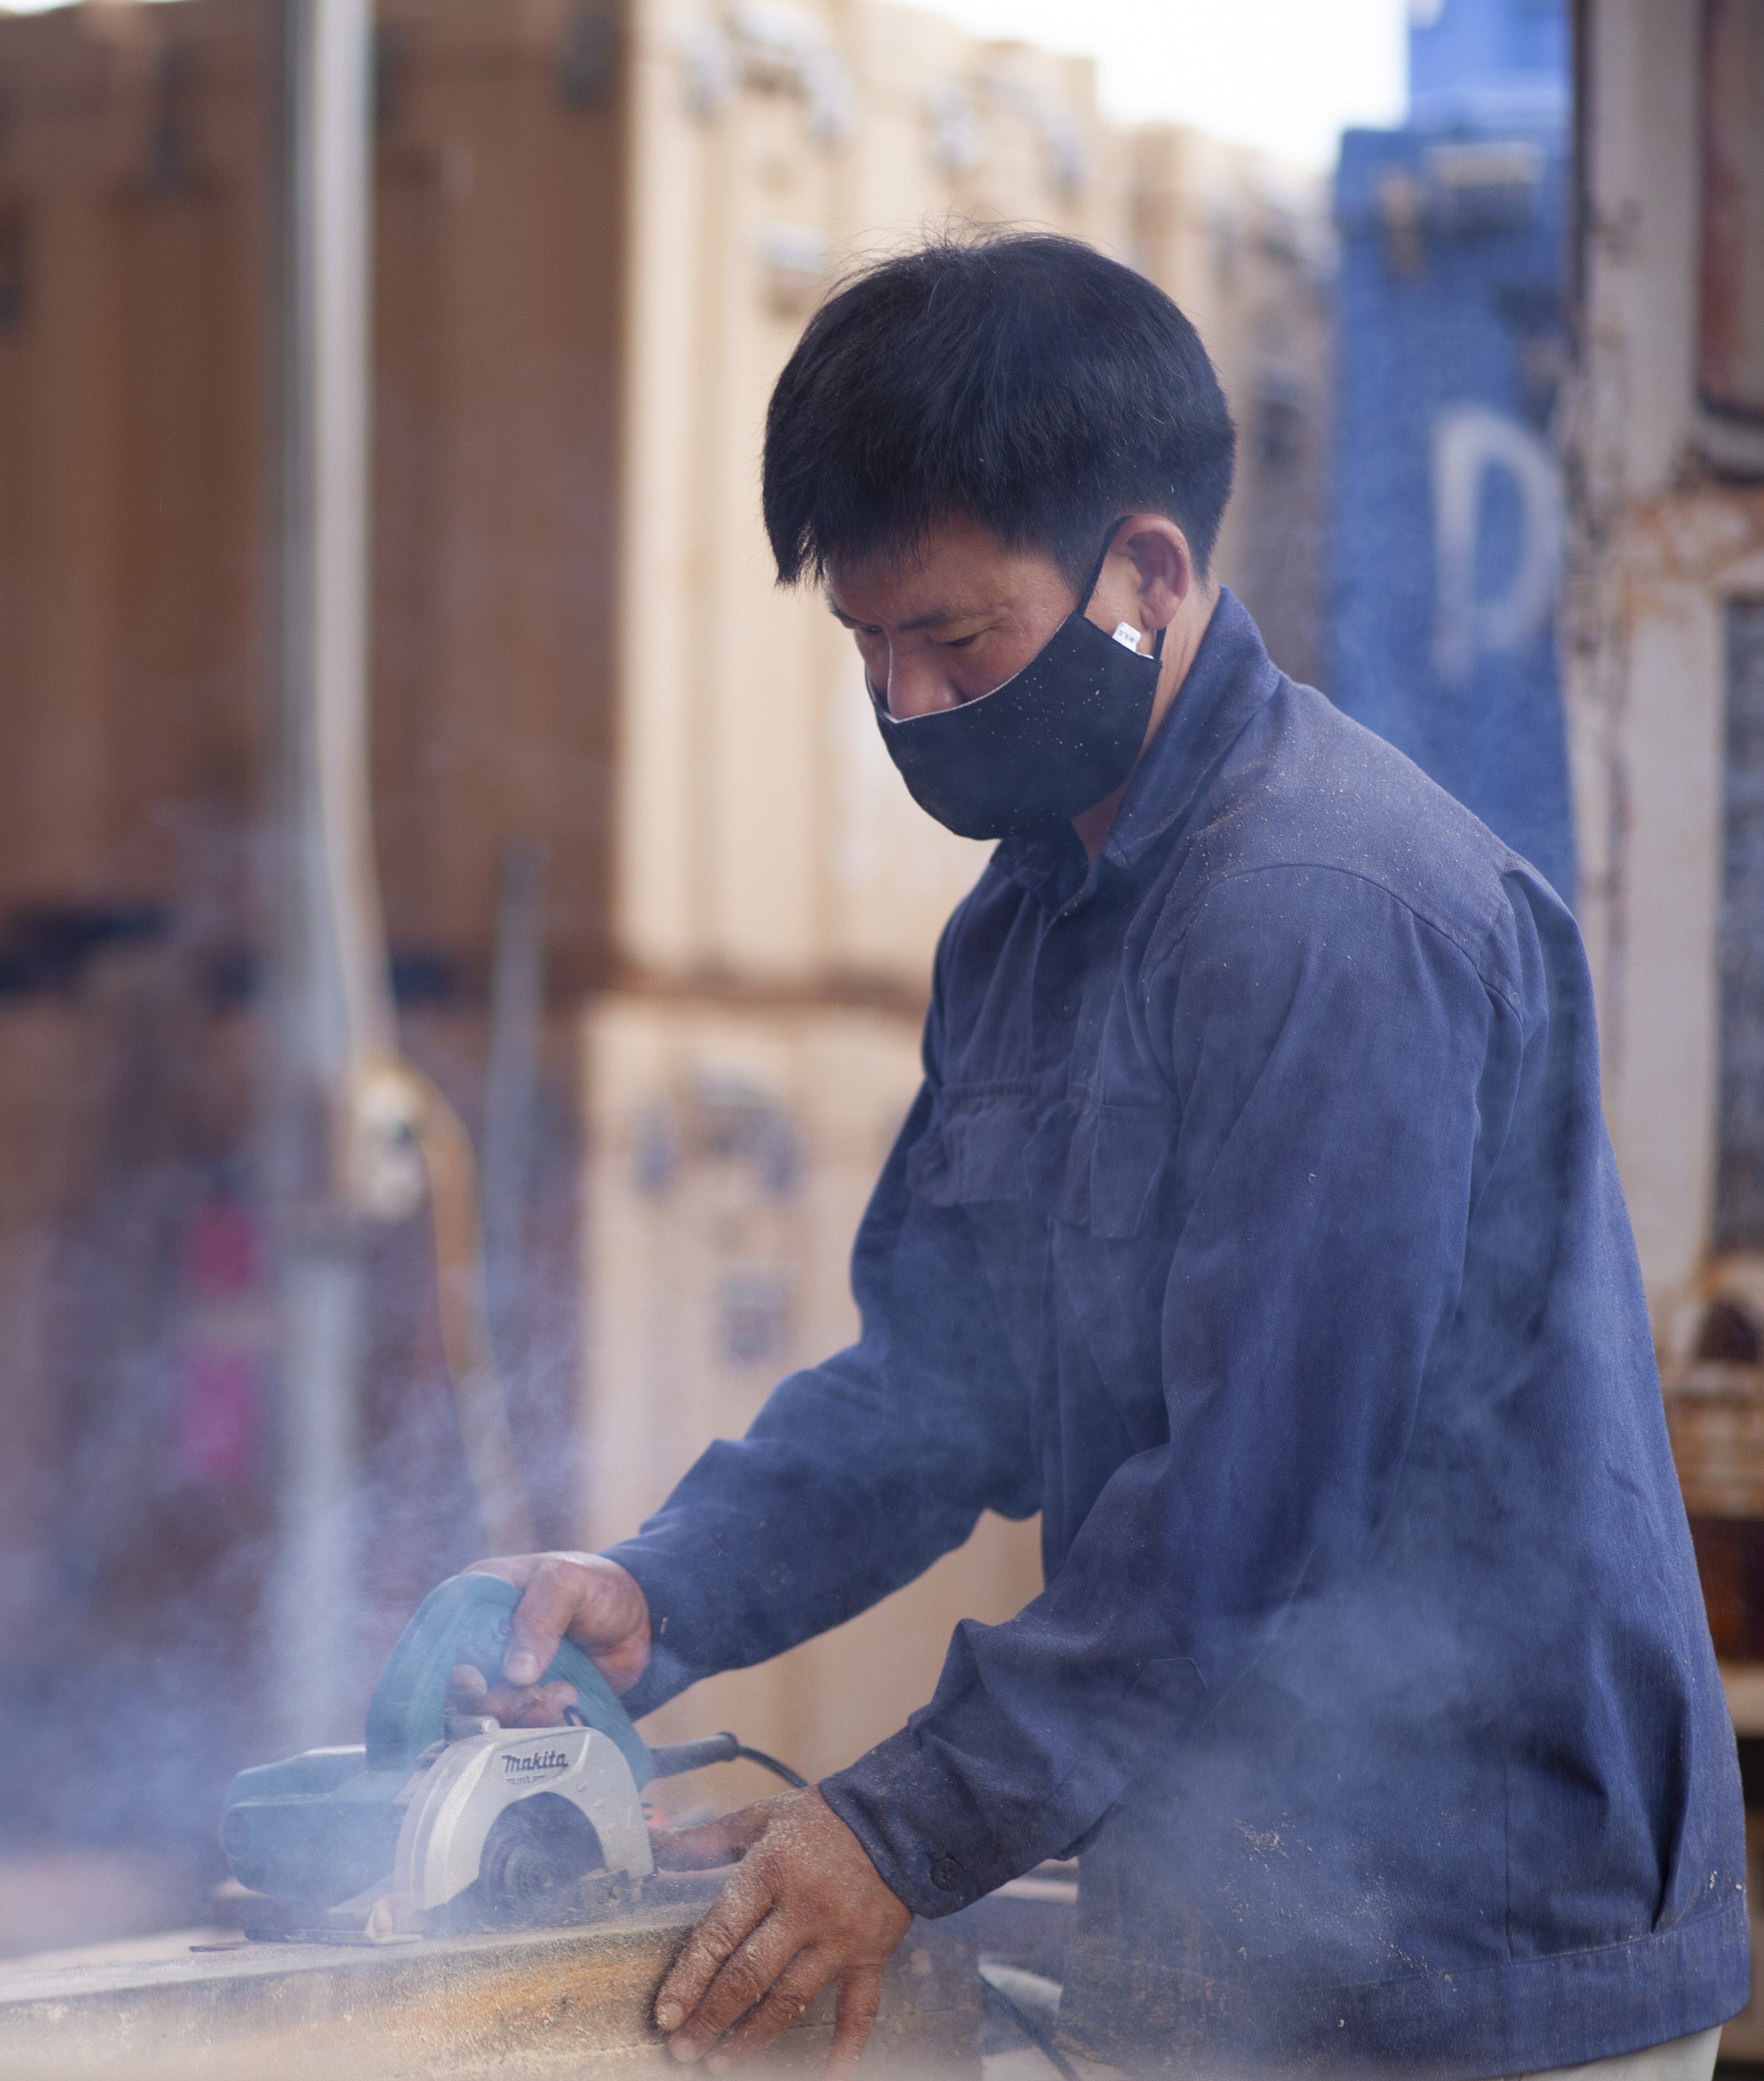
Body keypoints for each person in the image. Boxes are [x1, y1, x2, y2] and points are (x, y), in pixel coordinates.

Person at [461, 235, 1747, 2076]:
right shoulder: (1030, 923)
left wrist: (901, 1827)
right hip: (1233, 1926)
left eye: (956, 639)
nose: (906, 707)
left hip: (1474, 1964)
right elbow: (937, 1388)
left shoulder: (1331, 915)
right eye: (868, 650)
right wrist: (669, 1589)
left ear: (1147, 571)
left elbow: (1247, 1511)